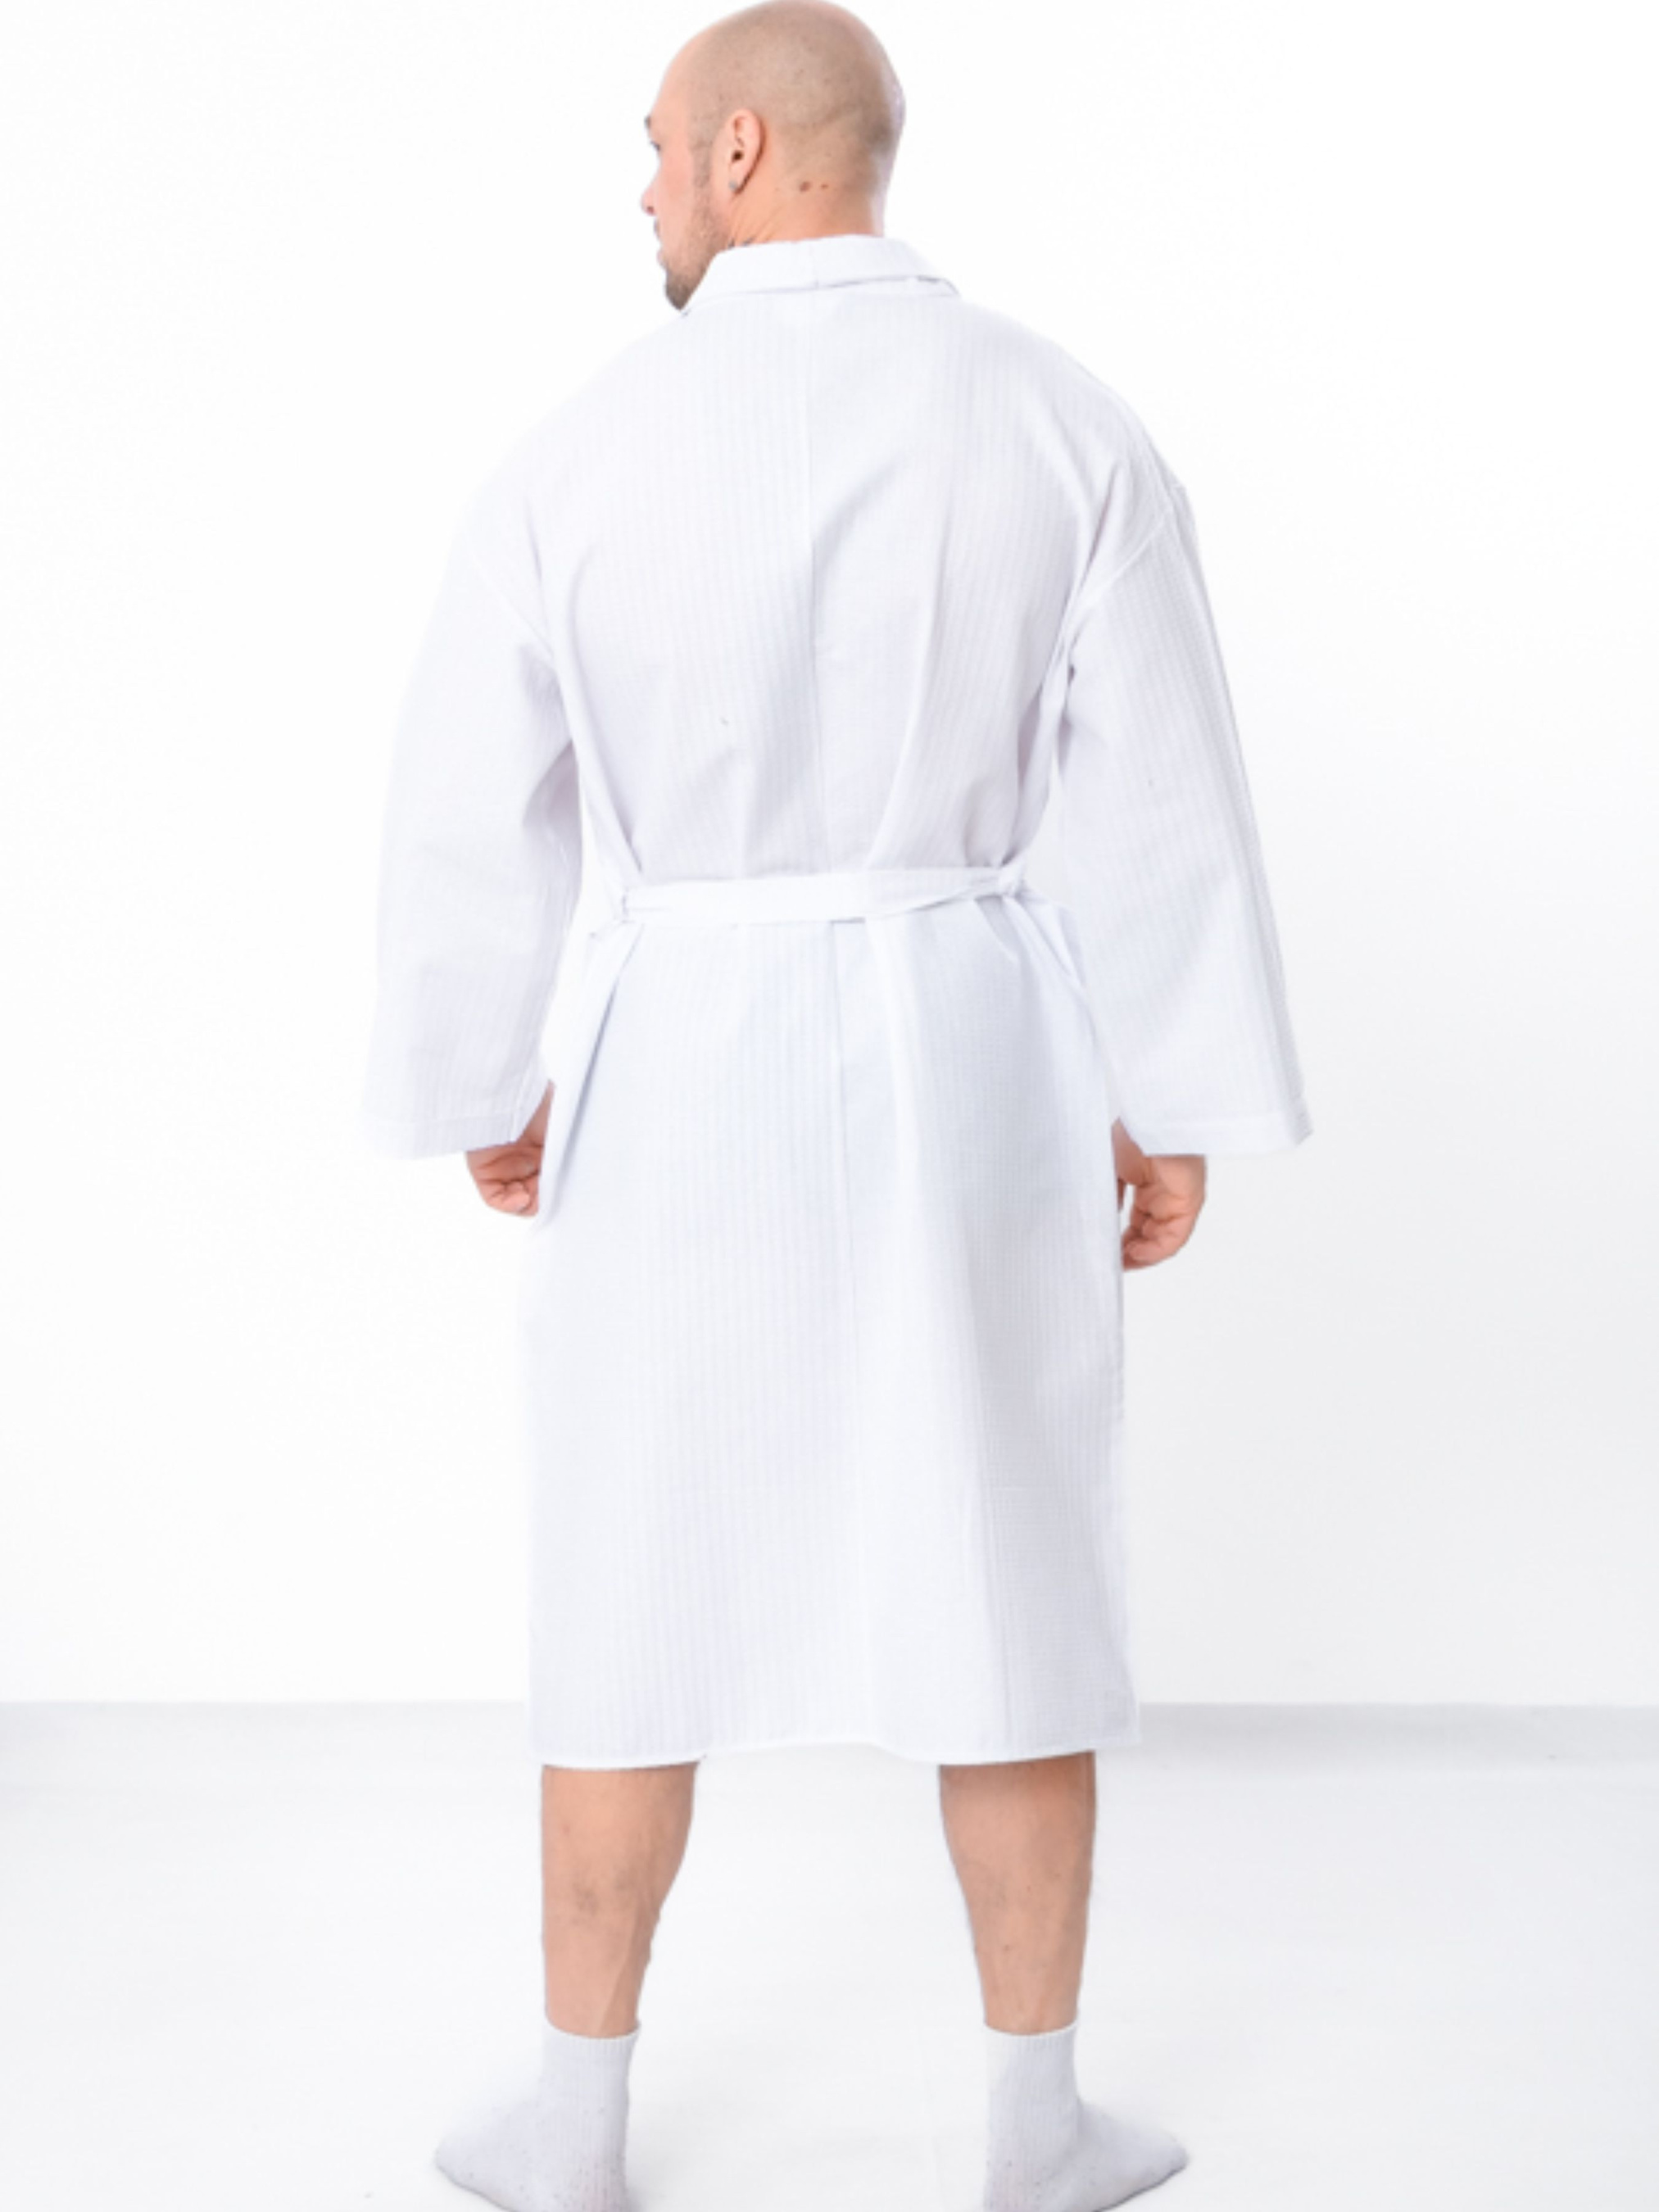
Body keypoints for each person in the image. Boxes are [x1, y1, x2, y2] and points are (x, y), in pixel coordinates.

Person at [359, 2, 1312, 2206]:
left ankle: (574, 2125)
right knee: (1008, 1573)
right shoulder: (1057, 422)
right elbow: (1162, 793)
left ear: (746, 153)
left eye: (655, 146)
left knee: (629, 1581)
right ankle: (1035, 2129)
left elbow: (466, 802)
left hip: (677, 1059)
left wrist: (485, 1076)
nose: (641, 188)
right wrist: (1166, 1093)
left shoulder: (581, 451)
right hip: (970, 1044)